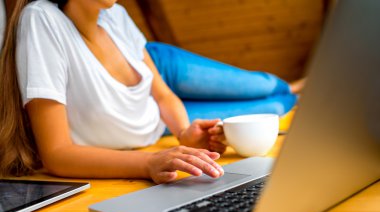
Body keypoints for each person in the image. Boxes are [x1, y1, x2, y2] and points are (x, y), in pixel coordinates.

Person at [0, 0, 301, 184]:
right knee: (275, 107)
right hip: (151, 127)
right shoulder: (41, 19)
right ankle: (298, 90)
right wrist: (148, 163)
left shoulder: (115, 15)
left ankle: (300, 83)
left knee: (268, 85)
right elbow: (57, 154)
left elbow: (163, 95)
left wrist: (184, 131)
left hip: (160, 71)